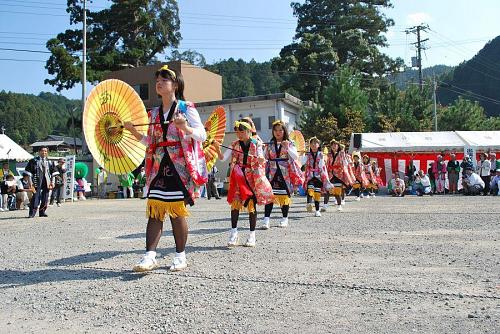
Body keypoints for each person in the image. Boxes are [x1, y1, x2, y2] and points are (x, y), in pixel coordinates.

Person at [124, 64, 207, 272]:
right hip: (158, 166)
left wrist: (185, 127)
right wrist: (134, 132)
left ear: (175, 85)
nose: (159, 84)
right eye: (157, 81)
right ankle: (149, 256)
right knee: (155, 210)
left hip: (180, 166)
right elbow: (150, 142)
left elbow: (202, 135)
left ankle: (180, 256)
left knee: (177, 212)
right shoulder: (152, 113)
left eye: (164, 80)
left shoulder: (186, 108)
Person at [215, 119, 273, 247]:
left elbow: (261, 157)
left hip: (251, 177)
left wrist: (261, 158)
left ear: (248, 131)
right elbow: (223, 158)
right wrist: (217, 148)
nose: (239, 134)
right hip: (238, 176)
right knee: (235, 205)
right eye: (237, 132)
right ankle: (234, 233)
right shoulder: (234, 144)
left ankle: (252, 235)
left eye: (242, 132)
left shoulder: (256, 143)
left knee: (251, 205)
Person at [261, 120, 303, 228]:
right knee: (269, 195)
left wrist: (287, 147)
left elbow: (295, 157)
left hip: (285, 173)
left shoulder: (290, 143)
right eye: (275, 130)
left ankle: (285, 218)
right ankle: (266, 220)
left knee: (284, 196)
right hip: (272, 172)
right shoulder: (269, 144)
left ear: (284, 131)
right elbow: (264, 157)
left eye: (280, 130)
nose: (278, 132)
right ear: (273, 132)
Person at [303, 137, 332, 217]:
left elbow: (321, 166)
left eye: (315, 143)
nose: (313, 145)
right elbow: (302, 163)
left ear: (318, 145)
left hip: (319, 176)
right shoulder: (307, 154)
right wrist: (304, 155)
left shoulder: (321, 154)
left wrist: (322, 159)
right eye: (312, 143)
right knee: (310, 188)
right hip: (310, 175)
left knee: (317, 192)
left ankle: (317, 210)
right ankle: (309, 203)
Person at [25, 146, 54, 218]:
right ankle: (32, 213)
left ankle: (42, 212)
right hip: (36, 181)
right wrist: (30, 183)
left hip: (46, 181)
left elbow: (53, 173)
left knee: (45, 197)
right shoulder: (33, 161)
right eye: (42, 151)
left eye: (45, 151)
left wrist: (52, 182)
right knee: (35, 197)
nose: (44, 152)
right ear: (39, 152)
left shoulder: (50, 161)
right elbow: (28, 173)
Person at [324, 140, 351, 212]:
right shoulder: (328, 155)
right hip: (330, 174)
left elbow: (345, 163)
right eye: (332, 145)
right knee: (327, 190)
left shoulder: (341, 153)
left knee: (337, 191)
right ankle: (325, 206)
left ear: (338, 146)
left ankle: (339, 205)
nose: (334, 146)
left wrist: (344, 157)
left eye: (335, 145)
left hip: (339, 174)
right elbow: (326, 164)